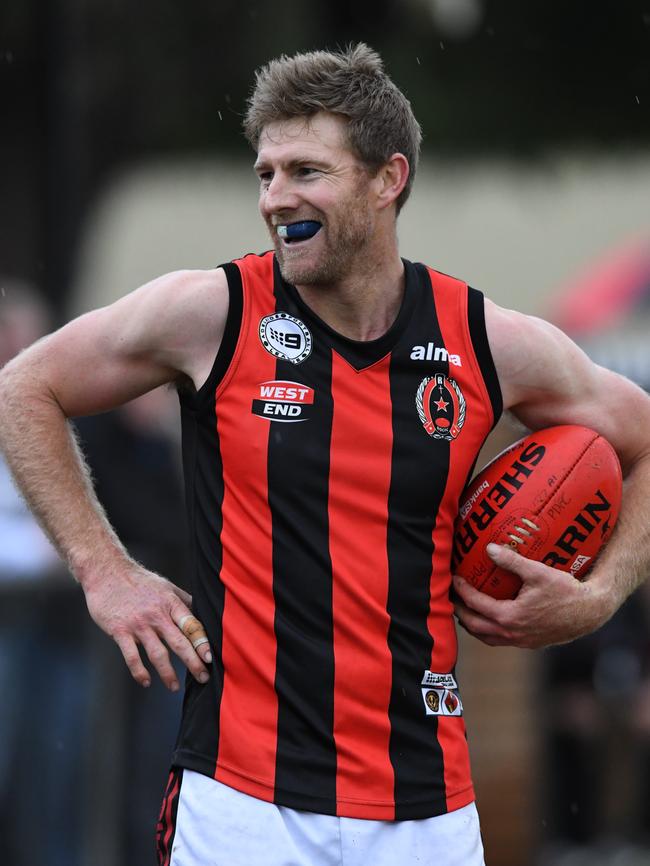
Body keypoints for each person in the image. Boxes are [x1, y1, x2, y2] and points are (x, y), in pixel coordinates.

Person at [1, 44, 650, 866]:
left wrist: (599, 596)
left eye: (307, 171)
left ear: (388, 180)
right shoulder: (214, 313)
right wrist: (105, 571)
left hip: (426, 808)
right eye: (265, 174)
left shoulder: (486, 341)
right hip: (241, 798)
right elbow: (22, 389)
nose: (277, 198)